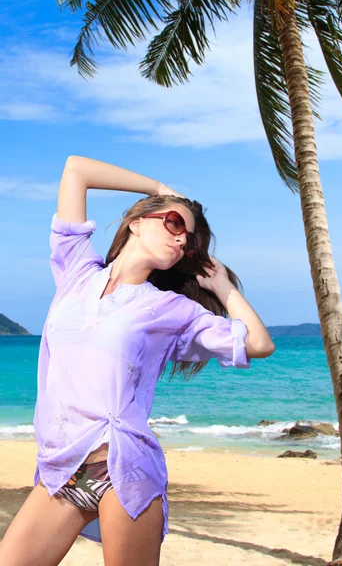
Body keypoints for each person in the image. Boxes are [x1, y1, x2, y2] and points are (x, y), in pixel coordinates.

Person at [0, 156, 275, 566]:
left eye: (190, 239)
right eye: (174, 223)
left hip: (123, 467)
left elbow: (258, 343)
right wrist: (159, 188)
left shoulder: (169, 309)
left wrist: (221, 286)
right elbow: (76, 169)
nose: (183, 240)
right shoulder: (76, 271)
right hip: (63, 468)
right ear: (137, 222)